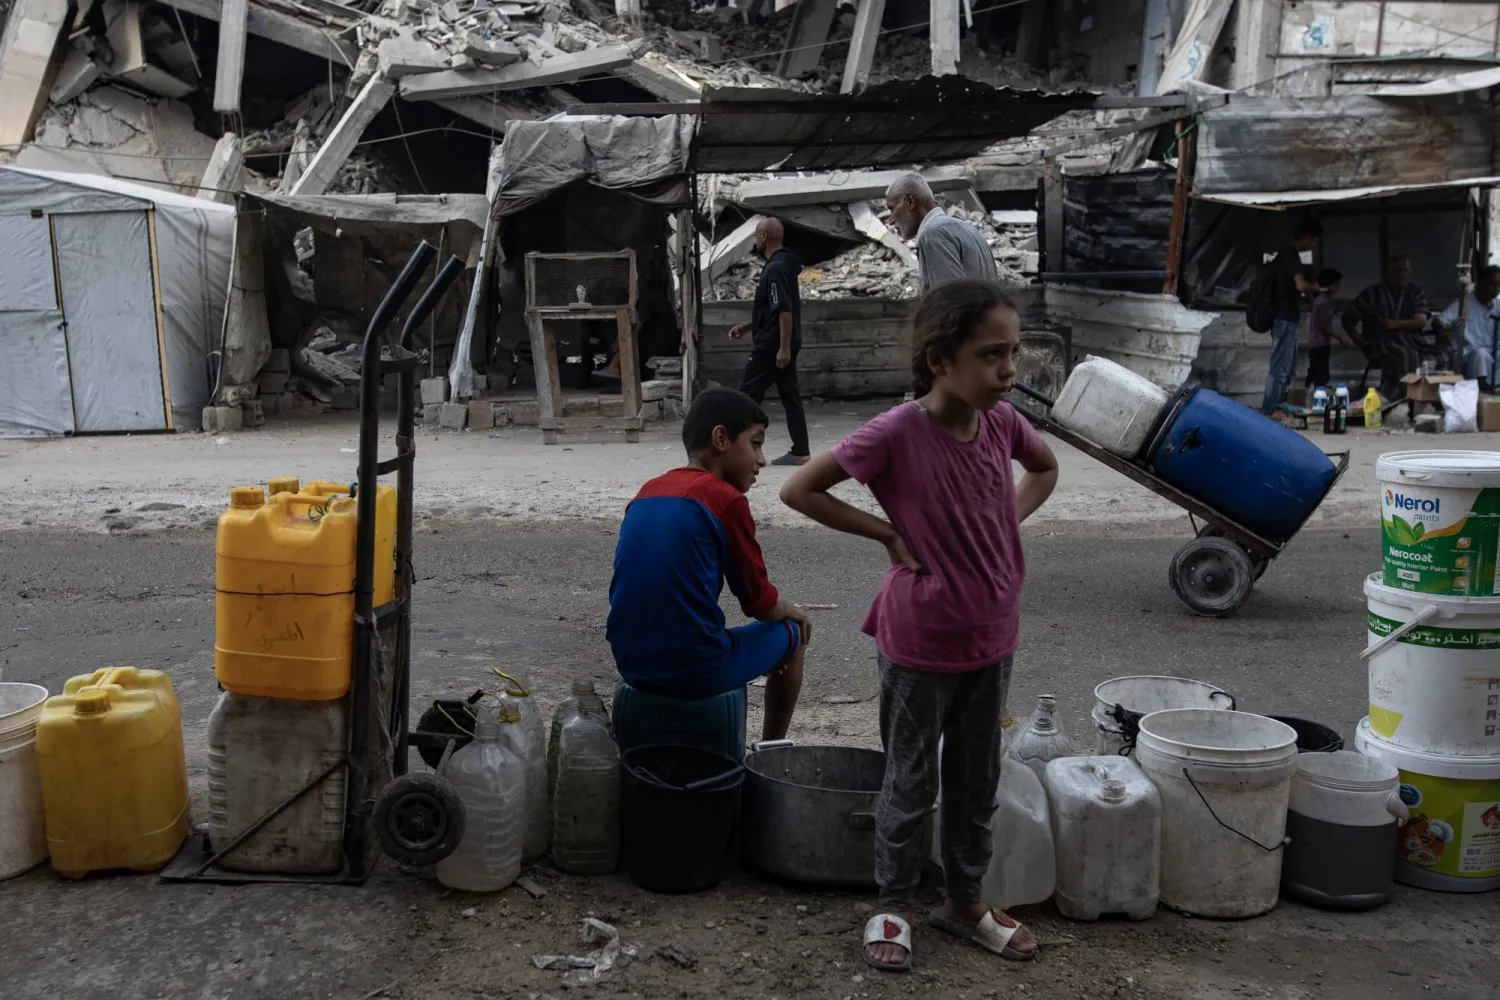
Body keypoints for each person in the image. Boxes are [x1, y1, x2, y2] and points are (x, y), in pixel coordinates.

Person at [780, 280, 1060, 973]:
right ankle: (894, 905)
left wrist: (1003, 522)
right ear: (940, 360)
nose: (1008, 370)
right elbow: (799, 488)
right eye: (991, 354)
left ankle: (964, 904)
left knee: (976, 780)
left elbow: (1044, 467)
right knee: (910, 779)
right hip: (921, 642)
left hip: (992, 636)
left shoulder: (1001, 424)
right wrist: (885, 533)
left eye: (1012, 353)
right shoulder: (900, 430)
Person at [606, 386, 810, 741]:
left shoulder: (646, 492)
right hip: (695, 669)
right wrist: (793, 610)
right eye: (756, 443)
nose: (761, 459)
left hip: (630, 663)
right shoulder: (725, 500)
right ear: (720, 439)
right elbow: (760, 603)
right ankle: (772, 750)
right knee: (794, 634)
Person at [729, 218, 810, 467]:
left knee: (746, 397)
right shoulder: (785, 264)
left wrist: (783, 348)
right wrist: (749, 325)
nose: (755, 240)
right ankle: (800, 451)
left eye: (756, 235)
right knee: (790, 397)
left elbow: (784, 310)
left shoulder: (775, 269)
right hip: (780, 343)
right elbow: (775, 310)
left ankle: (733, 447)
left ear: (764, 236)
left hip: (771, 347)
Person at [885, 173, 999, 294]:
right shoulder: (965, 228)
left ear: (910, 201)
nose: (890, 220)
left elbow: (950, 301)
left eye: (892, 209)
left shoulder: (933, 234)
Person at [1352, 255, 1444, 400]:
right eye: (1397, 270)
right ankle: (1405, 398)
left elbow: (1420, 321)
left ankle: (1433, 398)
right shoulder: (1371, 294)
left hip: (1412, 341)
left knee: (1442, 355)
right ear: (1386, 272)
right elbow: (1348, 319)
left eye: (1405, 270)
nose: (1402, 275)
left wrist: (1394, 324)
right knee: (1407, 356)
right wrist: (1359, 341)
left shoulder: (1415, 291)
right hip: (1380, 344)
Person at [1260, 219, 1323, 415]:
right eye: (1314, 240)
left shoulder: (1286, 256)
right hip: (1283, 318)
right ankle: (1271, 408)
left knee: (1289, 366)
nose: (1313, 245)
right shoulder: (1290, 256)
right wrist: (1318, 288)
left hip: (1288, 318)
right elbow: (1301, 285)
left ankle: (1277, 405)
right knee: (1280, 366)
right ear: (1305, 237)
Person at [1436, 265, 1500, 390]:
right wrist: (1444, 333)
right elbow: (1440, 320)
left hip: (1493, 352)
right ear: (1481, 284)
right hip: (1470, 353)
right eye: (1492, 285)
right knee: (1480, 355)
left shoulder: (1498, 306)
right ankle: (1483, 390)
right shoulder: (1464, 303)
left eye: (1499, 285)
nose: (1496, 289)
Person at [1305, 268, 1351, 390]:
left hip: (1316, 343)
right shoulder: (1324, 301)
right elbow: (1323, 325)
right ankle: (1317, 396)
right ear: (1327, 285)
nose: (1338, 287)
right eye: (1336, 284)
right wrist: (1340, 338)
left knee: (1316, 371)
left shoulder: (1321, 299)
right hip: (1320, 343)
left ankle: (1308, 391)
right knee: (1321, 375)